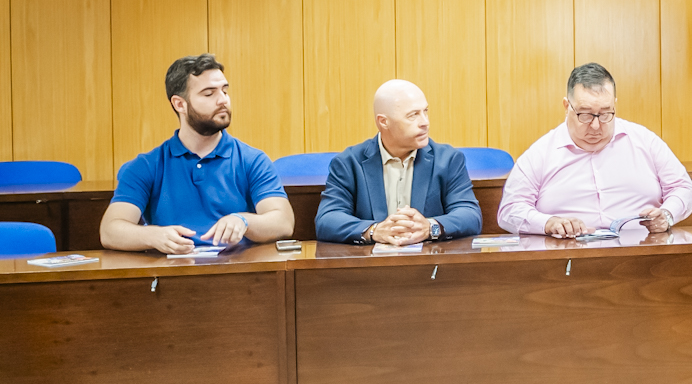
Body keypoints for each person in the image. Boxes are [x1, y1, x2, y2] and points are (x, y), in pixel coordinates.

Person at [100, 54, 292, 252]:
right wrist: (152, 235)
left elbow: (283, 222)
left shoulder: (253, 160)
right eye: (209, 94)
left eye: (225, 91)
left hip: (238, 265)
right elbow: (110, 231)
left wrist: (244, 221)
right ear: (179, 104)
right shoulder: (146, 165)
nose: (223, 100)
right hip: (173, 267)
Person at [497, 63, 692, 237]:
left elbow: (683, 188)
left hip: (643, 251)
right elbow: (509, 211)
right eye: (585, 114)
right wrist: (548, 223)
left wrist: (667, 215)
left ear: (614, 105)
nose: (595, 125)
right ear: (567, 106)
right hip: (568, 256)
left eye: (605, 114)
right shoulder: (541, 153)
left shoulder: (644, 141)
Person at [315, 79, 483, 246]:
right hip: (370, 261)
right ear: (383, 122)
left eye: (425, 111)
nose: (425, 122)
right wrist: (375, 231)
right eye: (413, 115)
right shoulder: (349, 163)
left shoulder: (448, 160)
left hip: (429, 260)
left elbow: (470, 215)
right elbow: (327, 219)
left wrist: (429, 227)